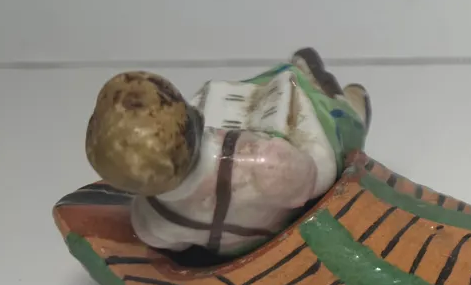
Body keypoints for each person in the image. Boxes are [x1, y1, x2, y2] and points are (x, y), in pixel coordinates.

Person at [84, 48, 369, 259]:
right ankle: (344, 99)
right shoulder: (263, 164)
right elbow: (321, 175)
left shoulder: (149, 220)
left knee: (273, 82)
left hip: (232, 249)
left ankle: (308, 75)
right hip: (279, 223)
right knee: (304, 88)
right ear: (192, 117)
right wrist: (301, 124)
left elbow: (176, 244)